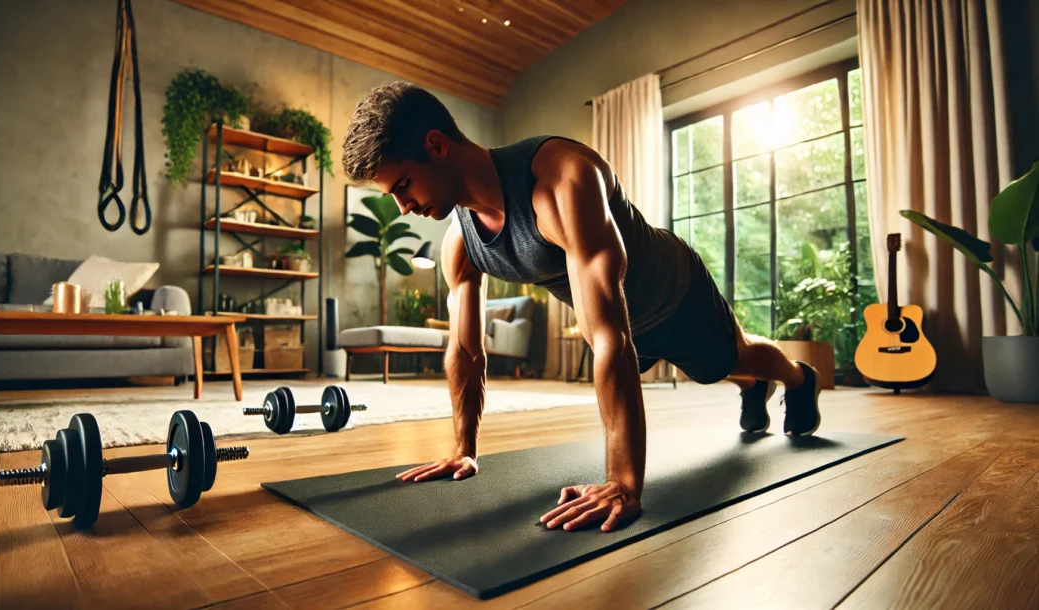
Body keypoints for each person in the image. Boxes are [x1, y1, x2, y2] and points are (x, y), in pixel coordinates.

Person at [341, 81, 822, 534]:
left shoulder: (562, 177)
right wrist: (464, 450)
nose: (403, 206)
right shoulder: (460, 244)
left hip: (673, 294)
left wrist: (623, 483)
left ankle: (798, 379)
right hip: (624, 326)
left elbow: (608, 335)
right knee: (710, 370)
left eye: (403, 184)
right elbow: (466, 352)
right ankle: (750, 386)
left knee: (732, 358)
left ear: (436, 145)